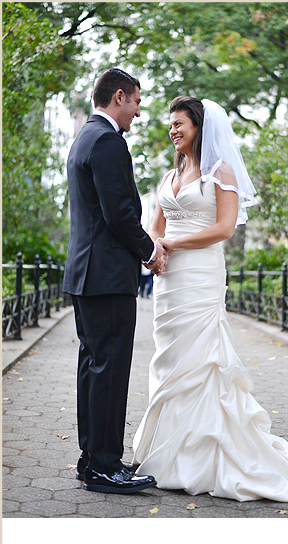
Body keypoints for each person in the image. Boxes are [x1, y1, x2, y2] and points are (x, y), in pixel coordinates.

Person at [131, 96, 288, 502]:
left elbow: (225, 228)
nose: (173, 130)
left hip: (201, 274)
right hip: (168, 279)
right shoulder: (168, 176)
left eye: (180, 123)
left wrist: (172, 244)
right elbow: (155, 225)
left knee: (202, 358)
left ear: (199, 127)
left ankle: (206, 452)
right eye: (170, 125)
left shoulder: (221, 172)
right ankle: (167, 448)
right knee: (170, 357)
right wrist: (155, 250)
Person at [62, 68, 165, 494]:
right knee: (109, 371)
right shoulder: (107, 140)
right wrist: (150, 251)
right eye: (137, 102)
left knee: (93, 367)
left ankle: (92, 460)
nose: (138, 112)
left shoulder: (84, 137)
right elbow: (119, 213)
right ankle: (105, 466)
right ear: (119, 96)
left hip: (88, 275)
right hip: (106, 276)